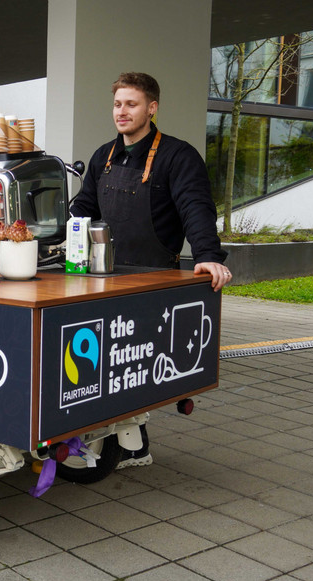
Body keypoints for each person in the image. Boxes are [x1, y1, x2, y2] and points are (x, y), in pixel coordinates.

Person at [70, 72, 232, 469]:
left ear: (152, 108)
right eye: (117, 104)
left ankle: (133, 442)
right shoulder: (103, 156)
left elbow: (196, 207)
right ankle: (123, 440)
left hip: (154, 281)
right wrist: (49, 238)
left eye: (131, 104)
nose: (121, 112)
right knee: (107, 364)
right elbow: (81, 210)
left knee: (134, 366)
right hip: (103, 278)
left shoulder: (178, 156)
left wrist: (207, 255)